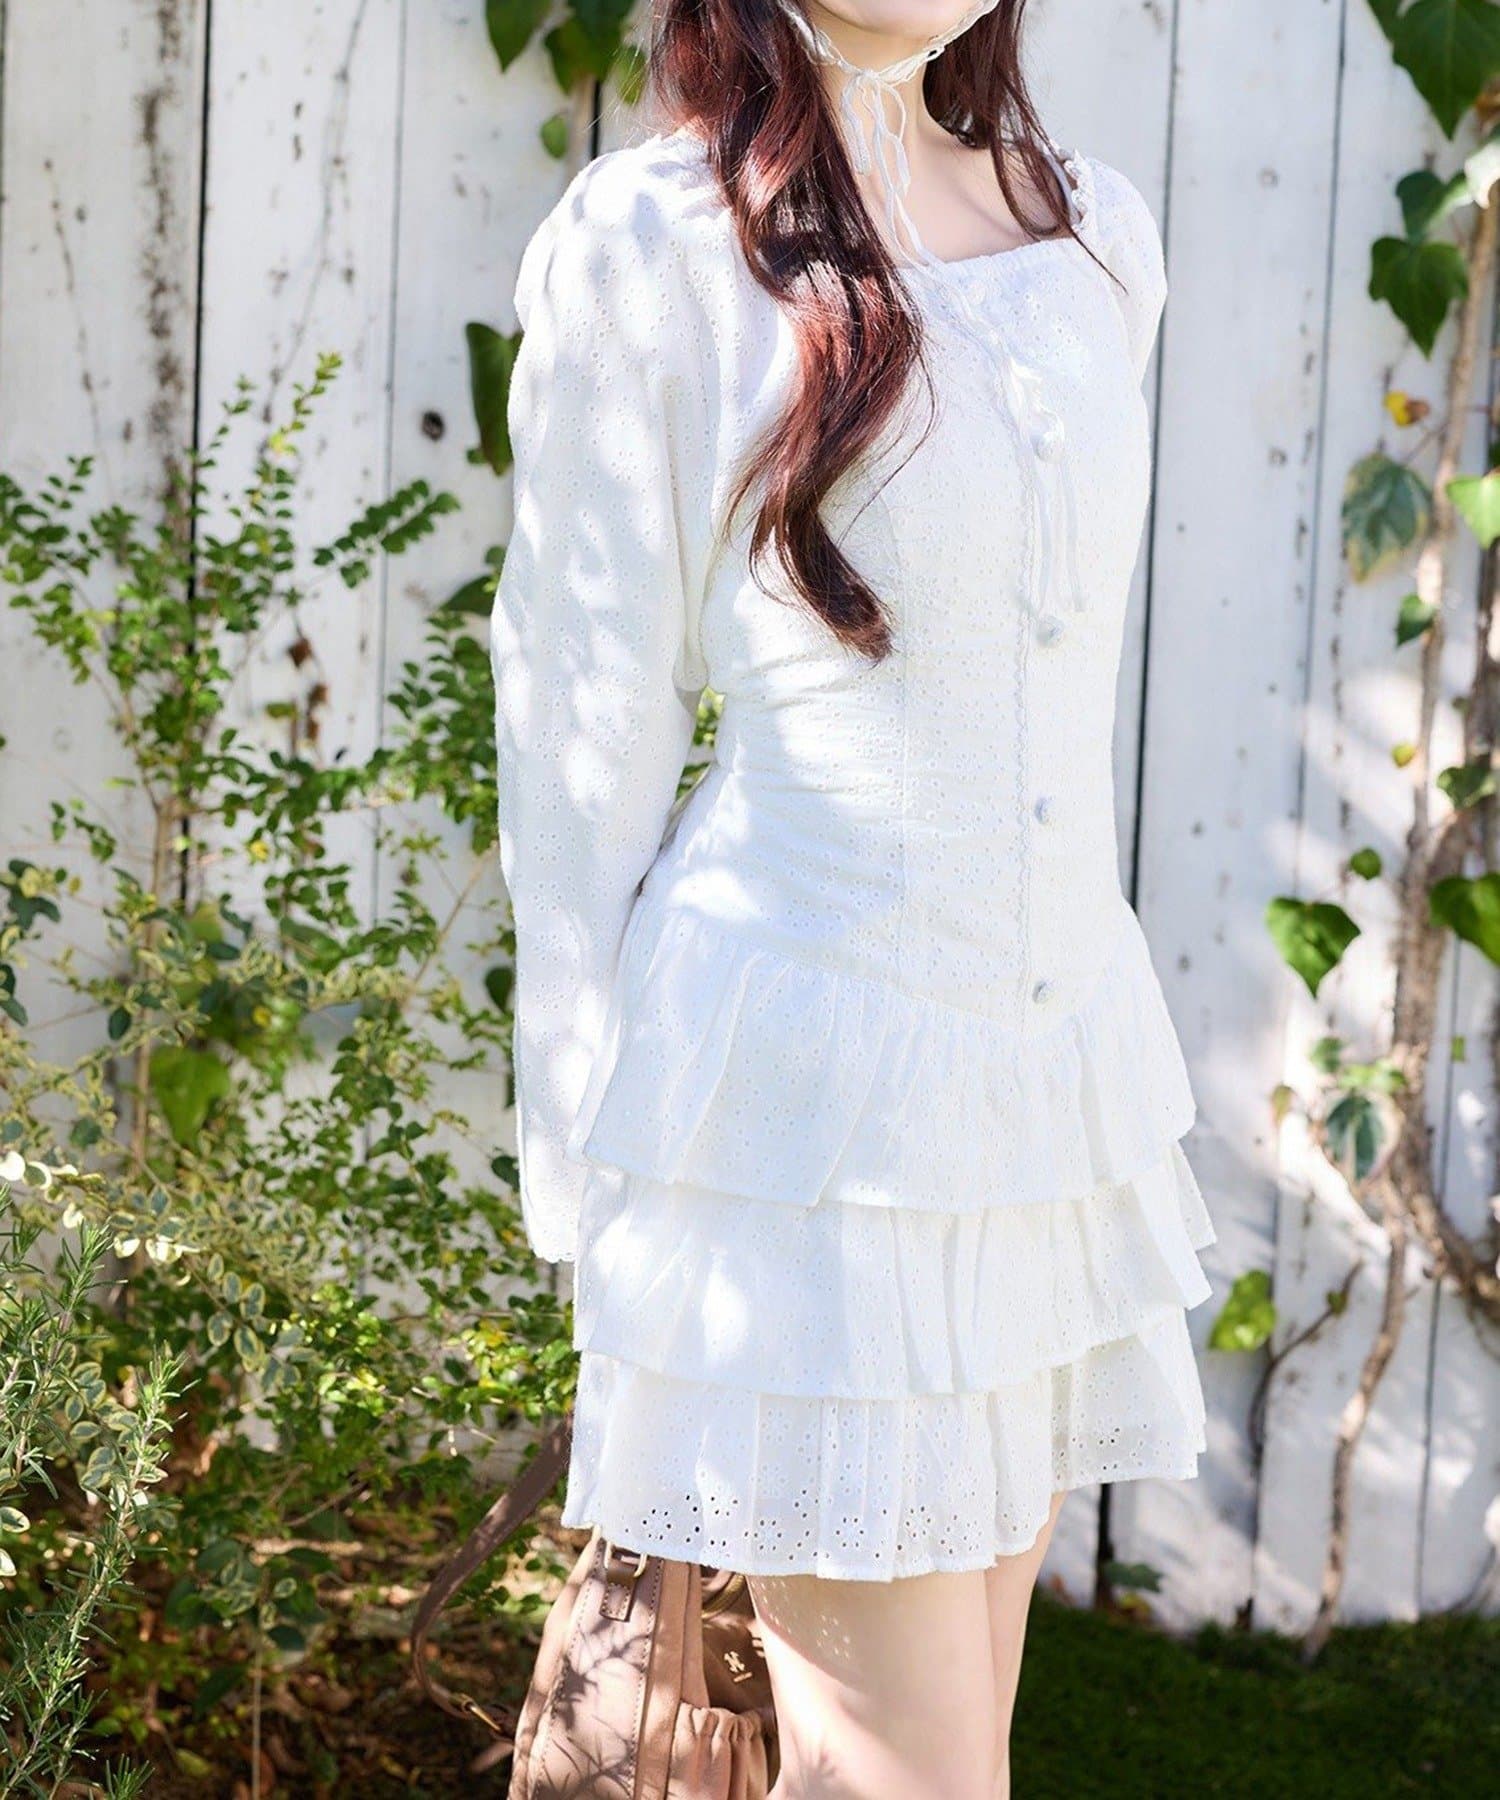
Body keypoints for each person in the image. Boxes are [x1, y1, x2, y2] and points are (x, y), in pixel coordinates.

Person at [490, 3, 1216, 1794]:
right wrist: (587, 1159)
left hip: (1042, 1103)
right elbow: (579, 732)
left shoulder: (1092, 228)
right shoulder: (651, 245)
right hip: (804, 1120)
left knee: (960, 1748)